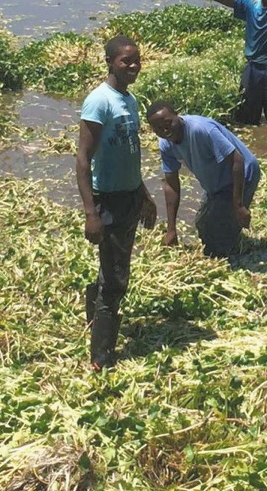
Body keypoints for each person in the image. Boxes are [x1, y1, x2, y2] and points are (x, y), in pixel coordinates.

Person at [76, 35, 157, 371]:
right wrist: (91, 213)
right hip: (106, 199)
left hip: (128, 196)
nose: (134, 66)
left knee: (115, 264)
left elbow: (130, 154)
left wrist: (144, 195)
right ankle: (101, 357)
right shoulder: (99, 102)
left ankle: (93, 308)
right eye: (126, 61)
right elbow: (82, 159)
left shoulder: (131, 101)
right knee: (116, 279)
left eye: (137, 60)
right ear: (109, 62)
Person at [146, 101, 261, 257]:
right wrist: (171, 229)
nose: (165, 131)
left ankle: (237, 253)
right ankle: (229, 232)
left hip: (243, 174)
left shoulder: (201, 130)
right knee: (202, 224)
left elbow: (237, 161)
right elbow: (171, 184)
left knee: (217, 243)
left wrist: (239, 205)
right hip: (215, 182)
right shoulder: (165, 144)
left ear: (177, 115)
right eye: (158, 129)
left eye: (168, 123)